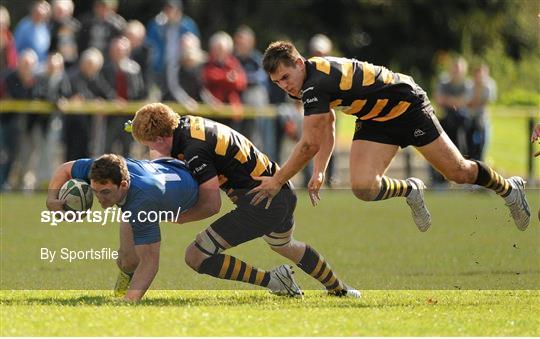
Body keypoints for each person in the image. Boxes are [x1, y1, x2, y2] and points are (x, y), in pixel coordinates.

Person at [251, 41, 530, 232]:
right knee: (363, 187)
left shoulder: (314, 84)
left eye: (286, 77)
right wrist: (321, 170)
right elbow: (327, 123)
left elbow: (309, 143)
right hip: (375, 119)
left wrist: (277, 180)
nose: (286, 87)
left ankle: (508, 188)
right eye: (278, 83)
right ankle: (411, 189)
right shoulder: (309, 80)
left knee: (458, 172)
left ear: (299, 63)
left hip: (407, 106)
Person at [129, 102, 360, 298]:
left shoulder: (193, 149)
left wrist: (178, 217)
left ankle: (274, 281)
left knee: (195, 256)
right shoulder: (185, 124)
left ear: (160, 138)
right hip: (280, 191)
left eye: (150, 146)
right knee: (285, 245)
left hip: (260, 201)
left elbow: (211, 205)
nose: (152, 151)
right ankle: (340, 290)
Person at [46, 154, 199, 301]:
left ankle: (125, 292)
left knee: (140, 258)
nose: (99, 198)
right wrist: (51, 199)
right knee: (128, 262)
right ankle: (126, 278)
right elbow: (65, 169)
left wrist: (128, 302)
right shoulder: (102, 168)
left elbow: (150, 262)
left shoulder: (140, 202)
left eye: (105, 192)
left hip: (186, 193)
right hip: (167, 169)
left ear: (124, 185)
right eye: (95, 191)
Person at [467, 63, 496, 161]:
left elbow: (485, 102)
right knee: (469, 149)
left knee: (482, 149)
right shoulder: (469, 85)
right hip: (469, 120)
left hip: (483, 121)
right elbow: (468, 102)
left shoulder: (489, 85)